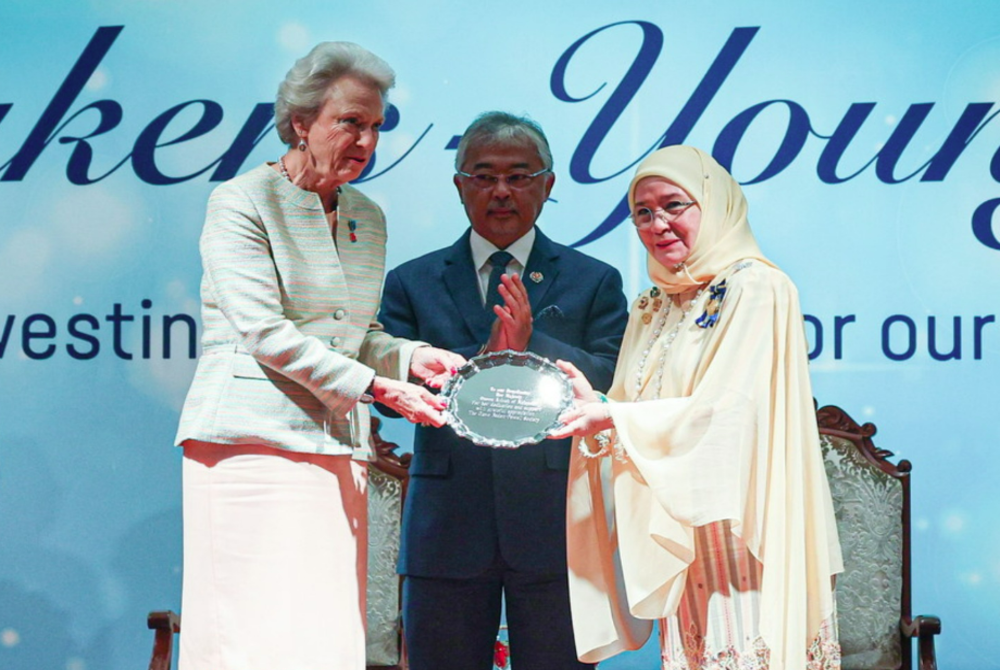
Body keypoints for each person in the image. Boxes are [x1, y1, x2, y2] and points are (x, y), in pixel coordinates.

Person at [174, 42, 463, 670]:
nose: (365, 139)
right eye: (350, 121)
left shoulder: (367, 215)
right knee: (249, 638)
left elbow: (356, 332)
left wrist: (412, 359)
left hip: (335, 448)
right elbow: (264, 332)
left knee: (323, 639)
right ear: (301, 121)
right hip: (247, 445)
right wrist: (379, 388)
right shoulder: (242, 201)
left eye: (376, 126)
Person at [550, 145, 843, 670]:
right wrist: (596, 406)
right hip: (677, 514)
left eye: (674, 205)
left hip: (741, 520)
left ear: (714, 204)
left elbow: (730, 411)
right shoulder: (652, 304)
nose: (658, 223)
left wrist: (614, 417)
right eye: (643, 212)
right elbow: (632, 406)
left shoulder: (757, 286)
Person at [377, 111, 628, 670]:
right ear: (459, 185)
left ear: (548, 184)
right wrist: (485, 359)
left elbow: (613, 379)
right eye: (483, 175)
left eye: (518, 176)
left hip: (556, 523)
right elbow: (384, 386)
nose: (500, 191)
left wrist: (531, 343)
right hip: (447, 520)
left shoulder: (594, 279)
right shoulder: (412, 281)